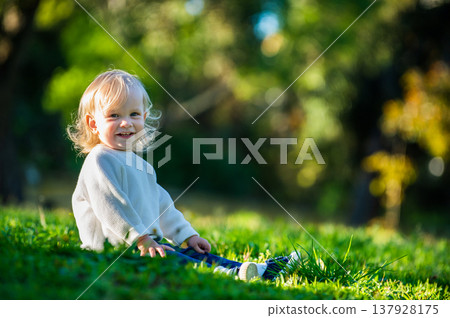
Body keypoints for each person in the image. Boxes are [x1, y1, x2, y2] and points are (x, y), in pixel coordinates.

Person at [68, 69, 296, 282]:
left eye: (134, 114)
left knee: (187, 252)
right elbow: (111, 206)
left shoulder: (140, 165)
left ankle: (251, 269)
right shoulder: (100, 160)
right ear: (93, 124)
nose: (126, 122)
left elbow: (161, 205)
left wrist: (186, 235)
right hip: (115, 251)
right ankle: (224, 273)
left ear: (144, 118)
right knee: (174, 259)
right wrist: (139, 238)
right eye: (114, 115)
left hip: (146, 245)